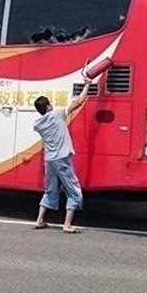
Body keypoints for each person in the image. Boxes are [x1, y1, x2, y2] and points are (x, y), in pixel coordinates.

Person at [32, 75, 91, 233]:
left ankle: (40, 220)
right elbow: (77, 102)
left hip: (49, 160)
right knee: (73, 189)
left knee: (50, 190)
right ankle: (67, 224)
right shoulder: (57, 114)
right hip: (62, 159)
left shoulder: (38, 125)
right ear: (49, 106)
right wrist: (86, 86)